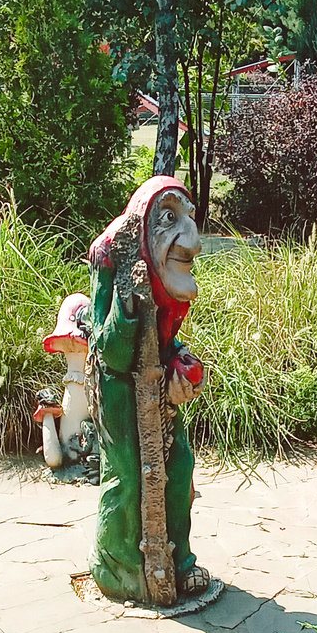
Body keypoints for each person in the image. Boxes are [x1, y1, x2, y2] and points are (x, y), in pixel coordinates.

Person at [87, 175, 210, 603]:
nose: (191, 243)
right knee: (126, 476)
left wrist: (181, 367)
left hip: (155, 383)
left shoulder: (168, 278)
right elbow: (108, 347)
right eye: (170, 218)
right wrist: (126, 309)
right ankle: (119, 567)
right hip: (117, 386)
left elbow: (165, 338)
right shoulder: (112, 254)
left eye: (188, 219)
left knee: (178, 468)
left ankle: (179, 563)